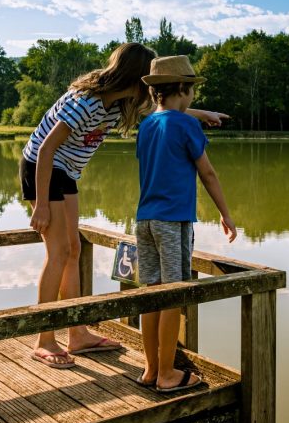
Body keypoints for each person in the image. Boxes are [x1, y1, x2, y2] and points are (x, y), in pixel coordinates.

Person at [20, 43, 227, 368]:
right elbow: (45, 150)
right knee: (58, 251)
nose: (150, 87)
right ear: (134, 76)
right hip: (41, 168)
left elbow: (166, 111)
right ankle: (44, 339)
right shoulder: (86, 101)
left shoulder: (120, 104)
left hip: (67, 172)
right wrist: (41, 204)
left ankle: (77, 334)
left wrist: (205, 114)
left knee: (73, 250)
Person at [135, 55, 237, 392]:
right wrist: (225, 214)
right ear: (182, 88)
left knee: (151, 294)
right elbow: (207, 172)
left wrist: (198, 114)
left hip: (144, 220)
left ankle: (150, 370)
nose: (194, 96)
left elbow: (166, 121)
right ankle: (167, 374)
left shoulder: (147, 124)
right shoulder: (186, 126)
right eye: (192, 89)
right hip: (172, 221)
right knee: (174, 296)